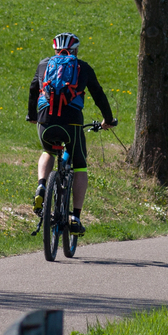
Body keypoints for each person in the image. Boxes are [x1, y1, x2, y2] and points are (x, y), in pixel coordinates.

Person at [27, 32, 117, 236]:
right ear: (75, 49)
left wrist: (32, 115)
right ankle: (75, 216)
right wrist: (108, 120)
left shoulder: (43, 65)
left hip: (45, 122)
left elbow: (34, 90)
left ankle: (41, 186)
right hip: (72, 125)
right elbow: (98, 95)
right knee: (80, 166)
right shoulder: (82, 67)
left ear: (55, 50)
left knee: (47, 151)